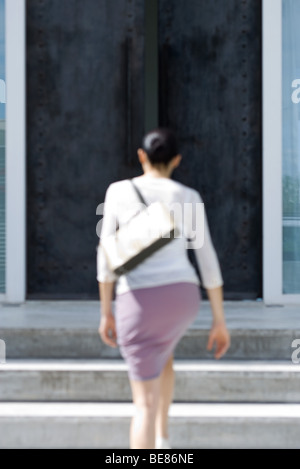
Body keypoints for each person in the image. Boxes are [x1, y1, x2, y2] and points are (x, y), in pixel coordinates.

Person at [97, 128, 230, 450]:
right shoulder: (188, 195)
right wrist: (219, 320)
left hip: (140, 300)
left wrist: (106, 313)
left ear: (141, 156)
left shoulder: (117, 191)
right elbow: (208, 261)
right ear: (177, 160)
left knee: (142, 404)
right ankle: (163, 439)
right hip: (182, 298)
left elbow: (106, 257)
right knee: (164, 354)